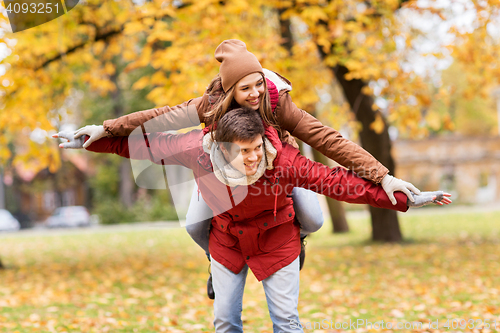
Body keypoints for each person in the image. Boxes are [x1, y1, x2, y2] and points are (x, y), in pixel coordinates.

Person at [69, 39, 422, 298]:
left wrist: (383, 176)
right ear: (229, 89)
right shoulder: (208, 107)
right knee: (194, 225)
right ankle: (217, 262)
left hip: (279, 171)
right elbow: (158, 119)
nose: (255, 93)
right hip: (221, 173)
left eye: (258, 84)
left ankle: (294, 245)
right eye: (245, 88)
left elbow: (327, 138)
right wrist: (107, 128)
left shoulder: (276, 101)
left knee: (313, 219)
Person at [55, 108, 450, 333]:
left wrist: (401, 198)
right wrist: (95, 138)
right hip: (225, 240)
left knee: (286, 319)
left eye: (256, 148)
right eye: (241, 151)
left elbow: (341, 183)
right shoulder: (196, 149)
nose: (251, 158)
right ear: (220, 149)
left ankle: (301, 246)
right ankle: (211, 266)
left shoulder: (283, 161)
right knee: (225, 319)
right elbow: (143, 145)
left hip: (278, 237)